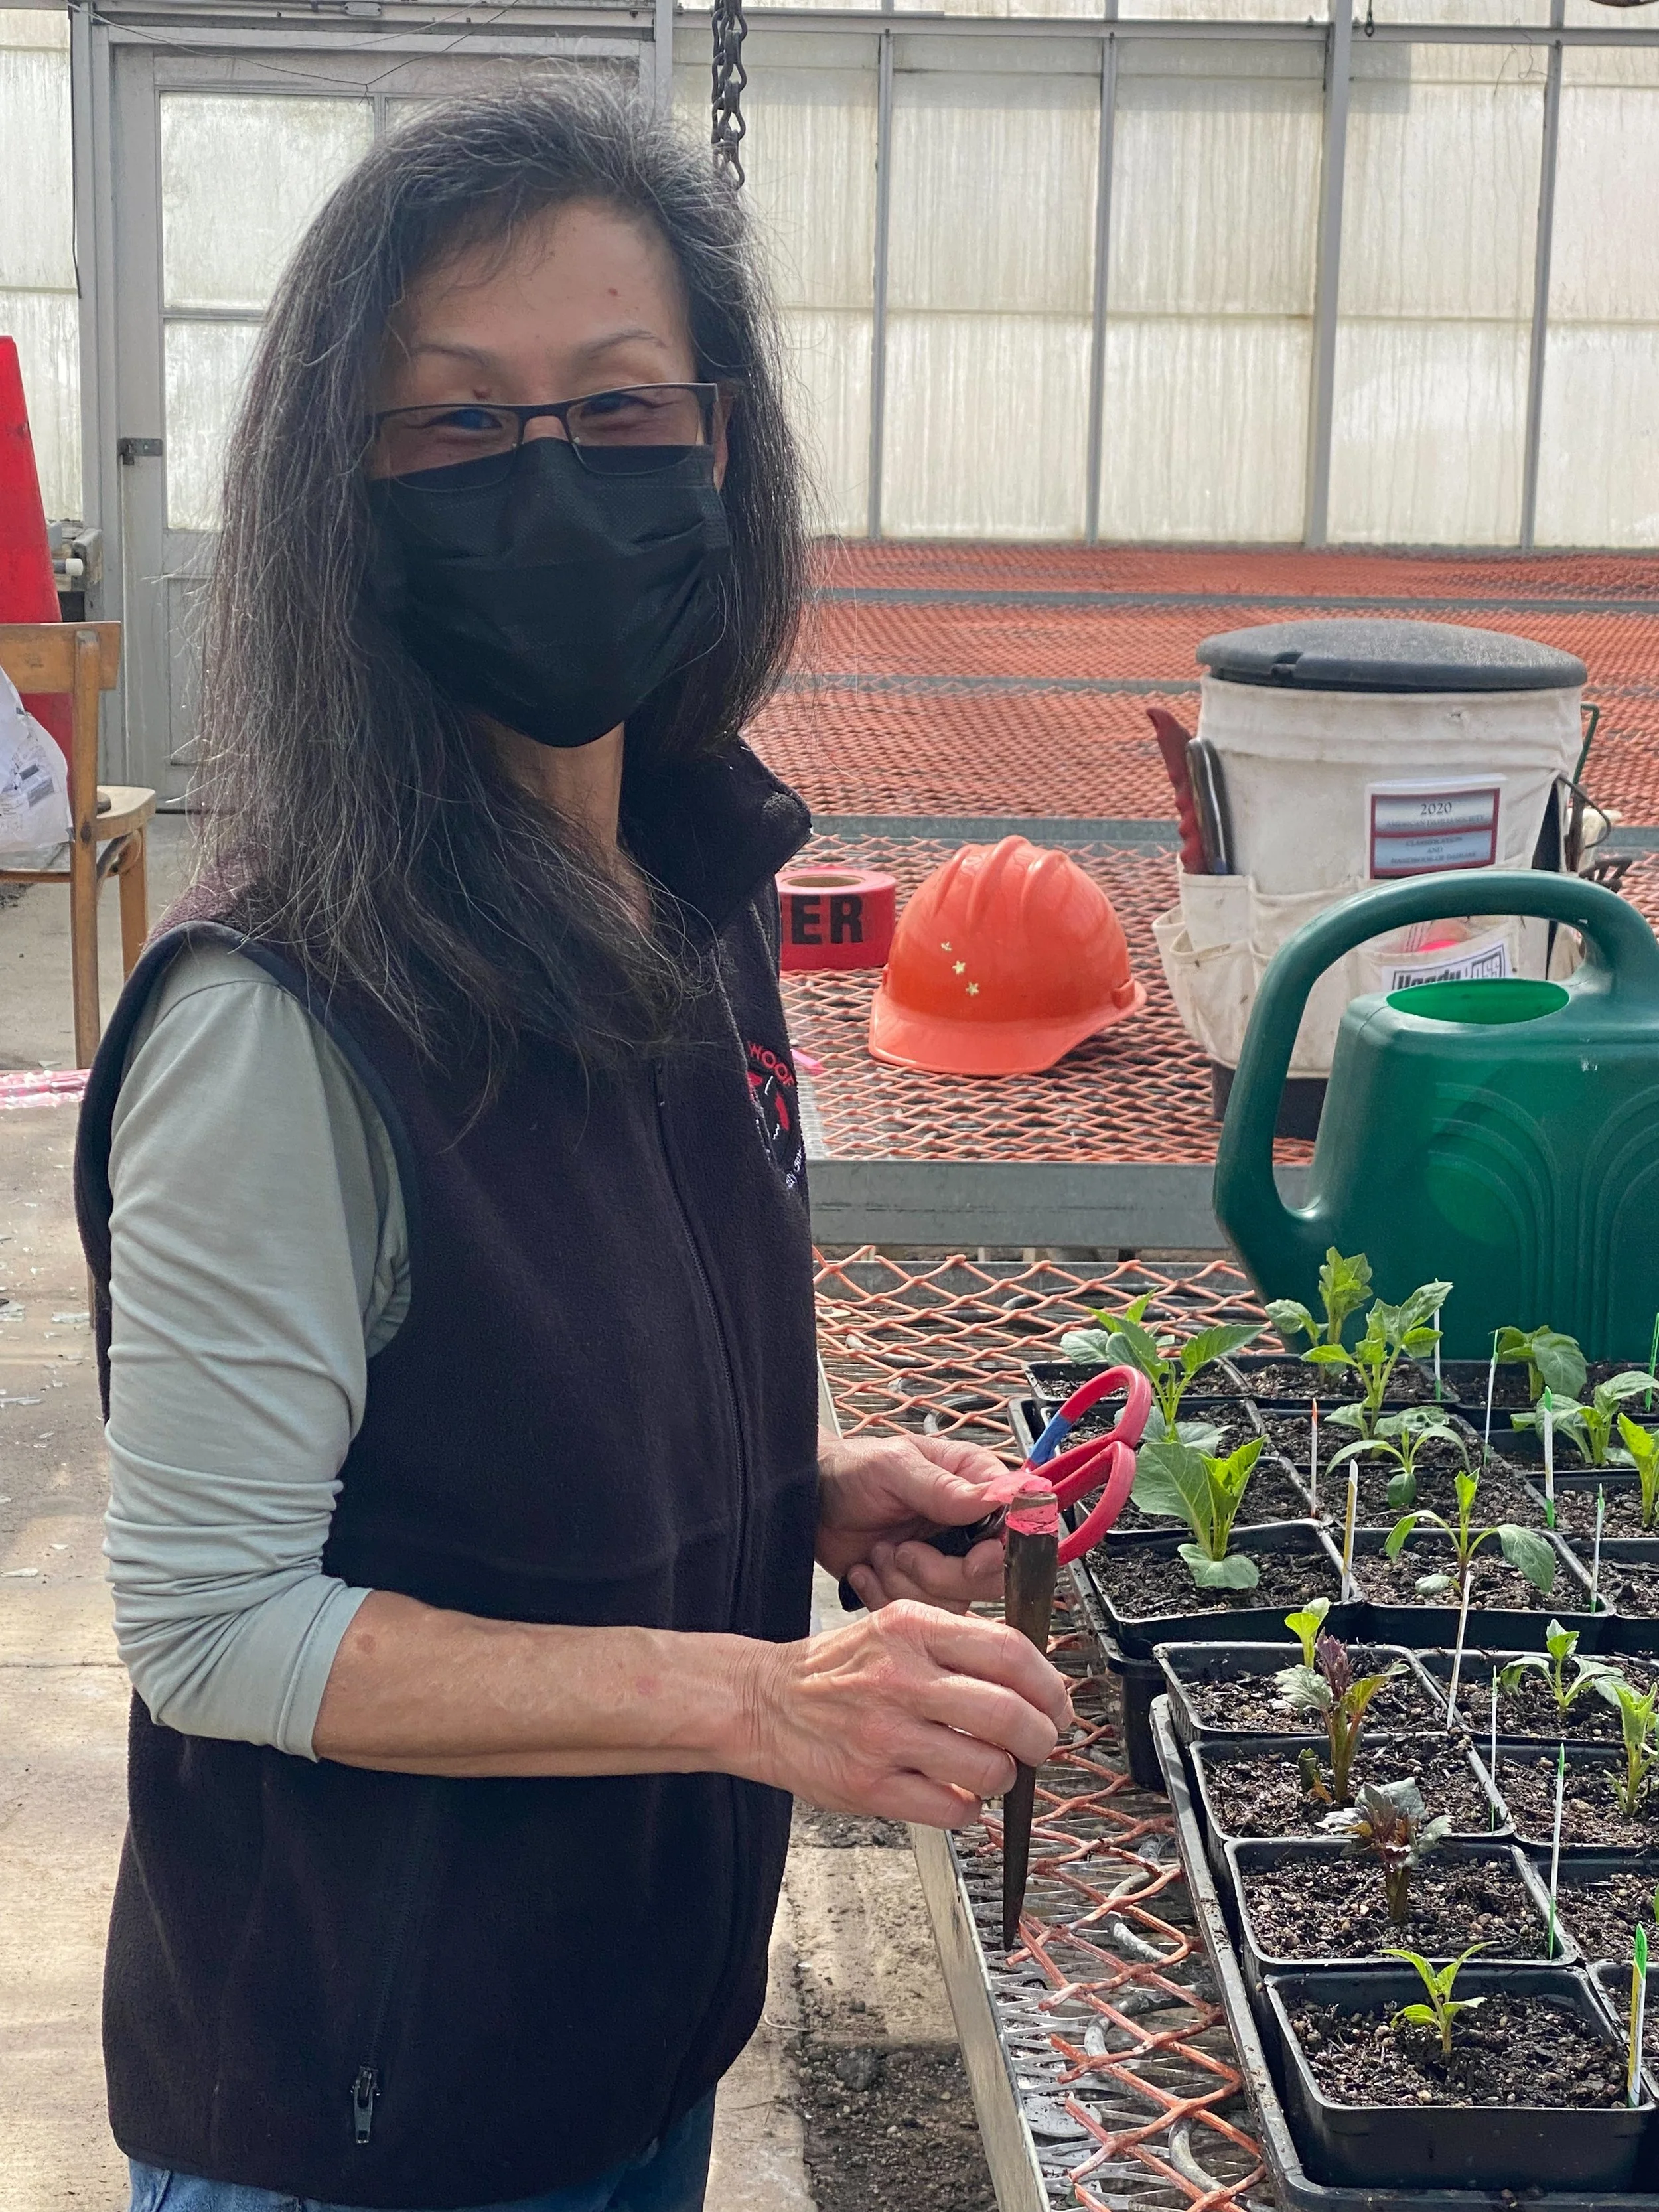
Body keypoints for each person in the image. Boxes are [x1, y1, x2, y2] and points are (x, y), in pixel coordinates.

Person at [74, 74, 1072, 2212]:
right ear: (344, 491)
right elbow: (221, 1622)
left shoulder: (687, 889)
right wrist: (759, 1703)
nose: (550, 481)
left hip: (626, 2032)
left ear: (723, 445)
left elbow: (507, 1400)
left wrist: (798, 1495)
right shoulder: (285, 1007)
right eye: (458, 422)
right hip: (370, 2111)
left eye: (620, 410)